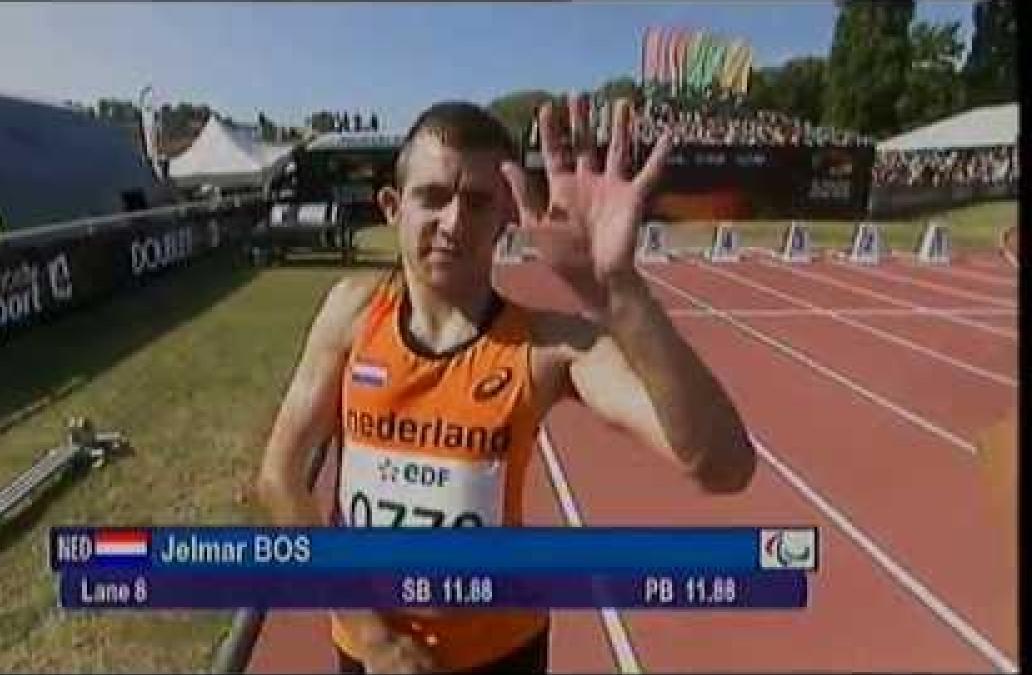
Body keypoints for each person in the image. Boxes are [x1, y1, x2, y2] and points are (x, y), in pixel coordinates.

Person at [257, 96, 756, 674]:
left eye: (477, 202)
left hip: (499, 653)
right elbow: (281, 475)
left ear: (506, 218)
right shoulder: (351, 313)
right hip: (368, 651)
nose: (453, 223)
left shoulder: (548, 347)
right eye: (433, 197)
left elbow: (723, 466)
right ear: (393, 207)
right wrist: (374, 640)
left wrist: (617, 288)